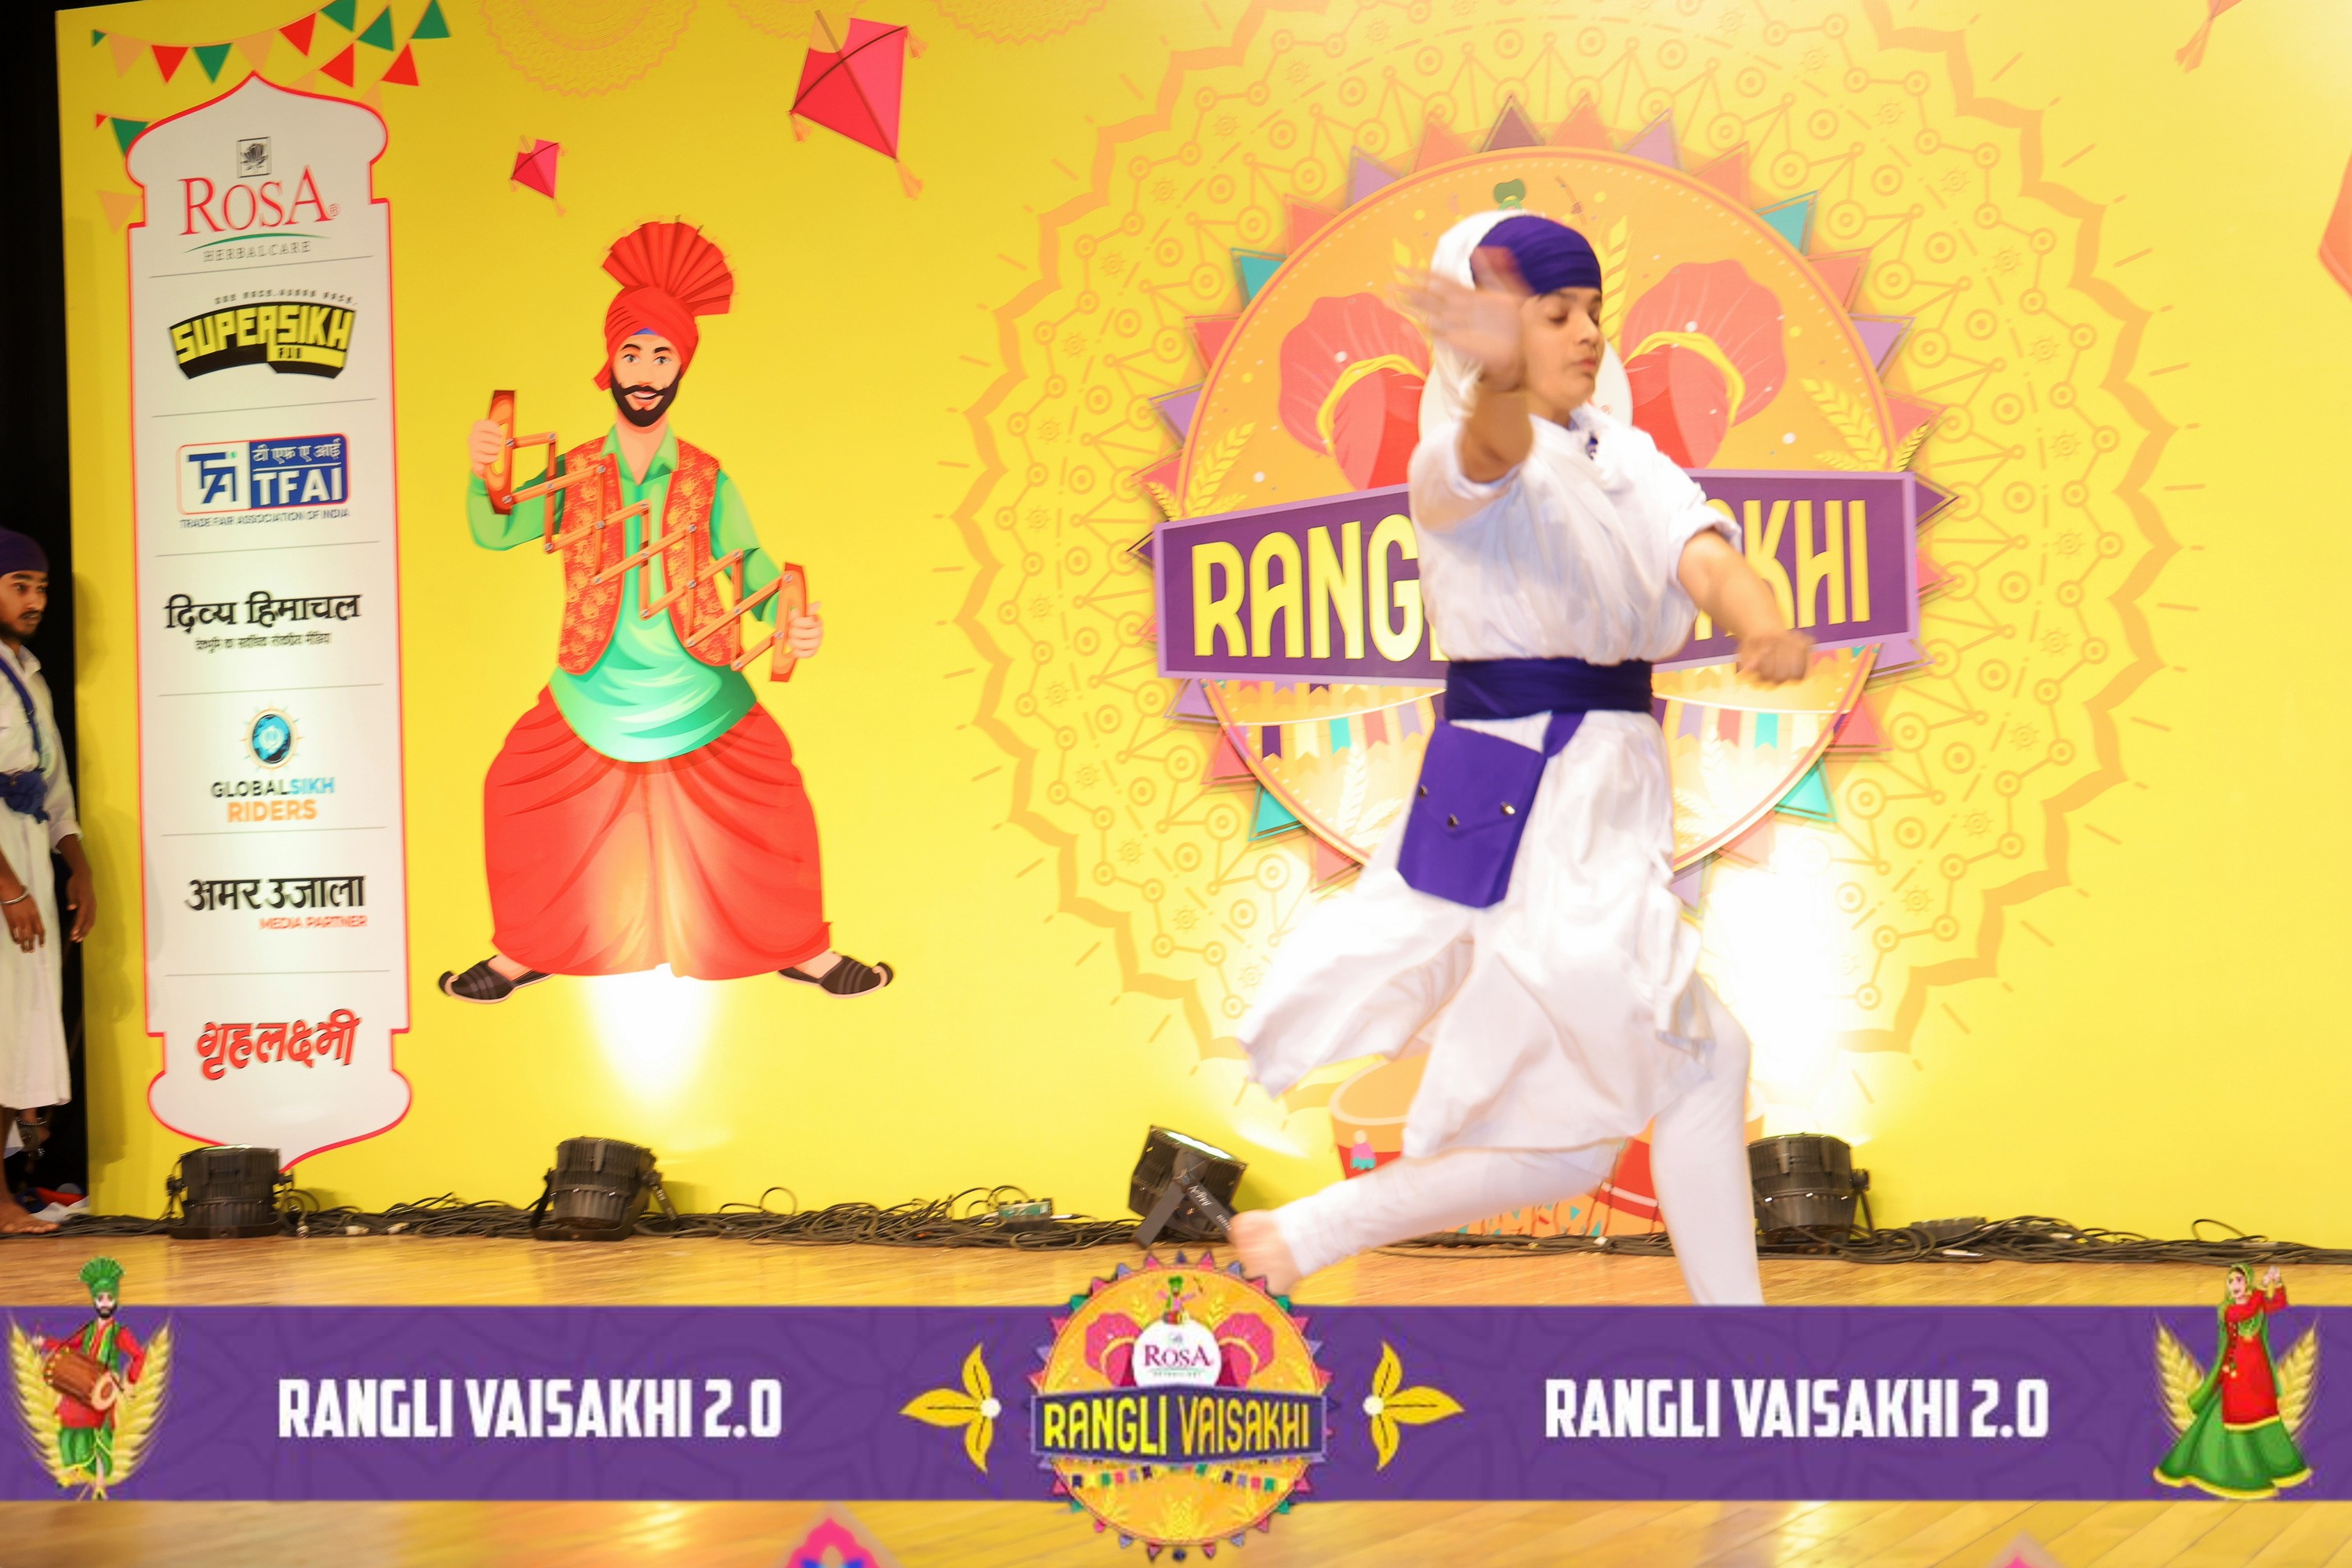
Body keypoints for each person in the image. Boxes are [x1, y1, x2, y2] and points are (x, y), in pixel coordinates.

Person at [1227, 212, 1811, 1304]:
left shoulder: (1622, 455)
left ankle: (1305, 1233)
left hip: (1597, 790)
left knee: (1582, 1132)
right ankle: (1742, 1349)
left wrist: (1760, 618)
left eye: (1594, 310)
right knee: (1694, 1063)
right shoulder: (1456, 457)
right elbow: (1487, 452)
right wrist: (1499, 378)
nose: (1587, 331)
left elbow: (1702, 555)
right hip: (1529, 799)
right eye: (1556, 313)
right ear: (1494, 334)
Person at [442, 221, 891, 1003]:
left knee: (772, 796)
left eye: (662, 357)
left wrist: (790, 620)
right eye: (632, 354)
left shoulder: (708, 477)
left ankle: (803, 949)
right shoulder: (576, 469)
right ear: (610, 365)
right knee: (516, 790)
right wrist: (486, 472)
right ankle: (524, 951)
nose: (646, 373)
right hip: (593, 681)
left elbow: (752, 567)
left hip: (698, 680)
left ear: (681, 368)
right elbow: (498, 528)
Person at [0, 530, 92, 1236]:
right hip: (5, 871)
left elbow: (55, 789)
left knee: (21, 1032)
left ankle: (11, 1191)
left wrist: (78, 866)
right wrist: (9, 888)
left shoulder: (30, 673)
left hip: (30, 856)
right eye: (20, 586)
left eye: (42, 588)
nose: (35, 601)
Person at [2156, 1265, 2312, 1497]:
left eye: (2239, 1280)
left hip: (2258, 1374)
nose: (2234, 1285)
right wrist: (2262, 1287)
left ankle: (2275, 1464)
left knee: (2263, 1413)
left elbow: (2278, 1304)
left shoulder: (2256, 1304)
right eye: (2230, 1281)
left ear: (2246, 1282)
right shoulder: (2227, 1310)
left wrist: (2277, 1282)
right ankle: (2233, 1469)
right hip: (2236, 1372)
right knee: (2235, 1413)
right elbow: (2246, 1312)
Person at [38, 1256, 145, 1482]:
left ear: (115, 1301)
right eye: (100, 1298)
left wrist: (130, 1381)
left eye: (109, 1298)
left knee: (98, 1435)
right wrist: (45, 1343)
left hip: (104, 1389)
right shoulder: (88, 1329)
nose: (105, 1303)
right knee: (68, 1428)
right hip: (82, 1385)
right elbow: (67, 1346)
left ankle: (99, 1482)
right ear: (94, 1302)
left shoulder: (120, 1332)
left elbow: (138, 1356)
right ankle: (72, 1472)